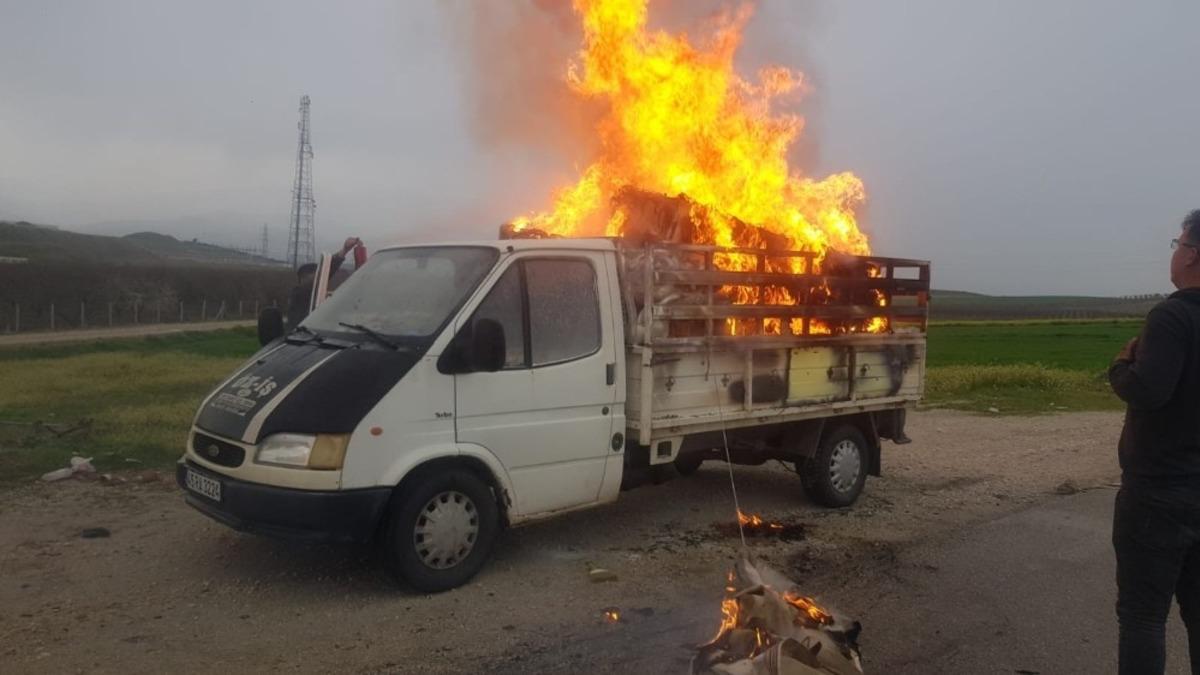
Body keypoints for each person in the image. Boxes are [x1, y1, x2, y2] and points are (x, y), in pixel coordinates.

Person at [1109, 209, 1200, 674]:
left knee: (1143, 617)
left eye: (1177, 243)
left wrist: (1121, 367)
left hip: (1159, 493)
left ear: (1193, 255)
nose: (1175, 252)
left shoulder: (1173, 315)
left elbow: (1149, 391)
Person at [286, 237, 360, 331]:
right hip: (299, 336)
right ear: (303, 278)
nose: (320, 277)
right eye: (317, 274)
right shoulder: (298, 293)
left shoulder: (314, 296)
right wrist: (344, 250)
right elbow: (325, 272)